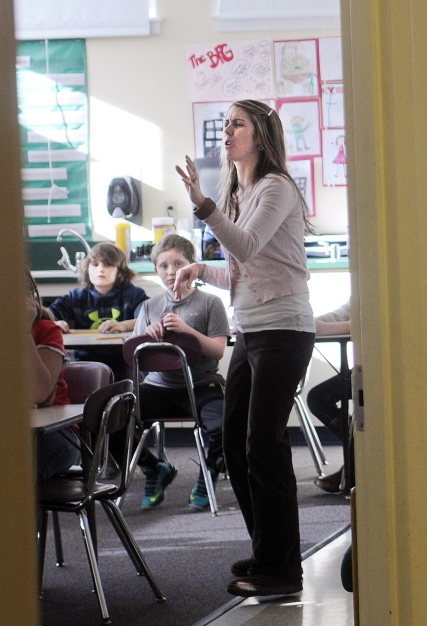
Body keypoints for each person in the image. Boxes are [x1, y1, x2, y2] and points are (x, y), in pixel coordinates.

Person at [174, 99, 316, 598]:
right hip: (252, 329)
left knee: (264, 446)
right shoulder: (240, 190)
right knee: (236, 444)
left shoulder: (276, 187)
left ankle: (282, 571)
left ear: (261, 136)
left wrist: (200, 203)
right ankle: (267, 553)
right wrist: (200, 272)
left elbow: (248, 246)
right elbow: (240, 268)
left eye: (238, 124)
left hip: (285, 328)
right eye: (227, 124)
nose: (227, 131)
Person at [119, 234, 230, 511]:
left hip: (202, 384)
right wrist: (146, 337)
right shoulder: (148, 307)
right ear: (155, 270)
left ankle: (208, 474)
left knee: (225, 424)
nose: (171, 272)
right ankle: (154, 468)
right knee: (113, 419)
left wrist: (188, 331)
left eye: (178, 264)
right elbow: (135, 356)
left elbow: (218, 350)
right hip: (159, 387)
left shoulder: (210, 303)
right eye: (163, 266)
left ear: (192, 266)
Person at [48, 242, 148, 380]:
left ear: (119, 270)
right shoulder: (76, 297)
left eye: (107, 265)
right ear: (87, 268)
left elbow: (147, 318)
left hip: (122, 363)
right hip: (85, 363)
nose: (100, 269)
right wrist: (55, 323)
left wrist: (123, 325)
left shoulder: (133, 295)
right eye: (95, 265)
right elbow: (47, 315)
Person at [26, 268, 79, 481]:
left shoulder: (45, 330)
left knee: (16, 474)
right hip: (6, 430)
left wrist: (23, 330)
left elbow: (38, 393)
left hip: (56, 432)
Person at [306, 301, 351, 493]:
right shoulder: (363, 290)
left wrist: (325, 327)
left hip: (394, 368)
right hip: (367, 368)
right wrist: (315, 323)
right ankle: (356, 460)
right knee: (318, 398)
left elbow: (374, 322)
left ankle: (353, 466)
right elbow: (341, 314)